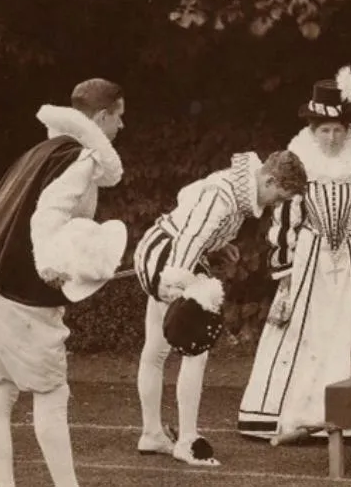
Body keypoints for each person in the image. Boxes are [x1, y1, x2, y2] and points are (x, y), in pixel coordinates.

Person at [0, 78, 130, 487]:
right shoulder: (78, 157)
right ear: (101, 116)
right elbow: (48, 214)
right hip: (15, 290)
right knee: (50, 392)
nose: (121, 127)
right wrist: (50, 263)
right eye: (118, 117)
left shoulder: (38, 152)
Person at [237, 67, 351, 444]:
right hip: (311, 258)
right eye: (324, 130)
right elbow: (288, 216)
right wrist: (287, 265)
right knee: (303, 330)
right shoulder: (300, 164)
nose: (331, 137)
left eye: (338, 130)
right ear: (311, 130)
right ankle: (296, 414)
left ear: (348, 129)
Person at [132, 150, 308, 466]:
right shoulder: (225, 195)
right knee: (196, 348)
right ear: (268, 179)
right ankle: (186, 440)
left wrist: (218, 245)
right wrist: (178, 283)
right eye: (278, 196)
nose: (276, 204)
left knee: (156, 351)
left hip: (160, 249)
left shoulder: (236, 185)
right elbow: (189, 236)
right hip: (171, 260)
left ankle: (152, 433)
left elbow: (188, 202)